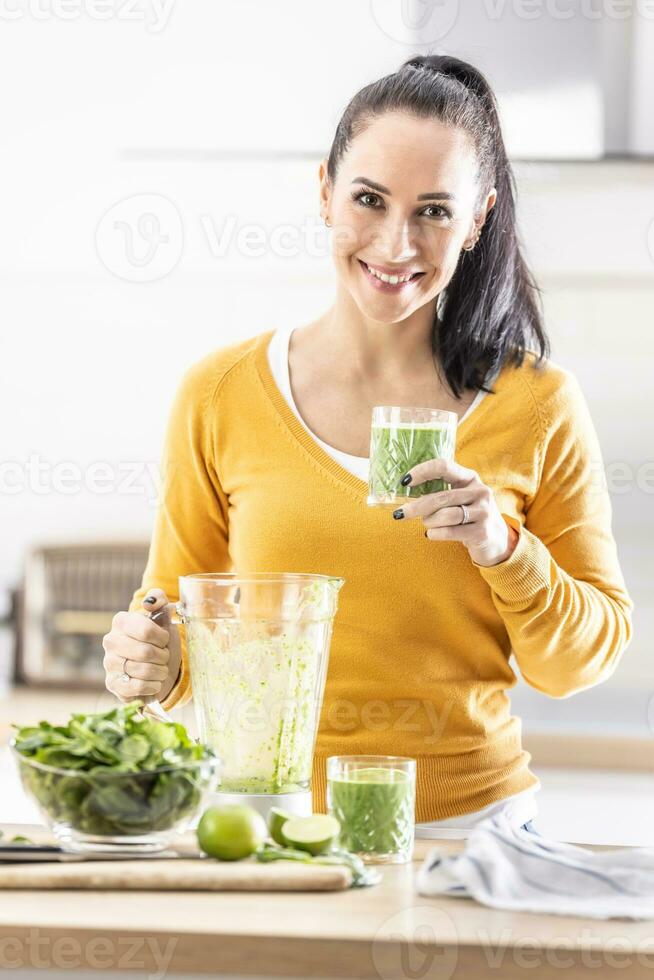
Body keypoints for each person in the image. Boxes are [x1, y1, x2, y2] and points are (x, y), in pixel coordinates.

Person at [102, 54, 633, 834]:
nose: (395, 243)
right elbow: (175, 624)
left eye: (434, 211)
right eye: (370, 199)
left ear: (478, 218)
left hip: (469, 834)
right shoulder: (218, 394)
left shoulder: (538, 405)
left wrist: (503, 547)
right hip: (266, 827)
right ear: (325, 191)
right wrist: (148, 660)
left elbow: (577, 664)